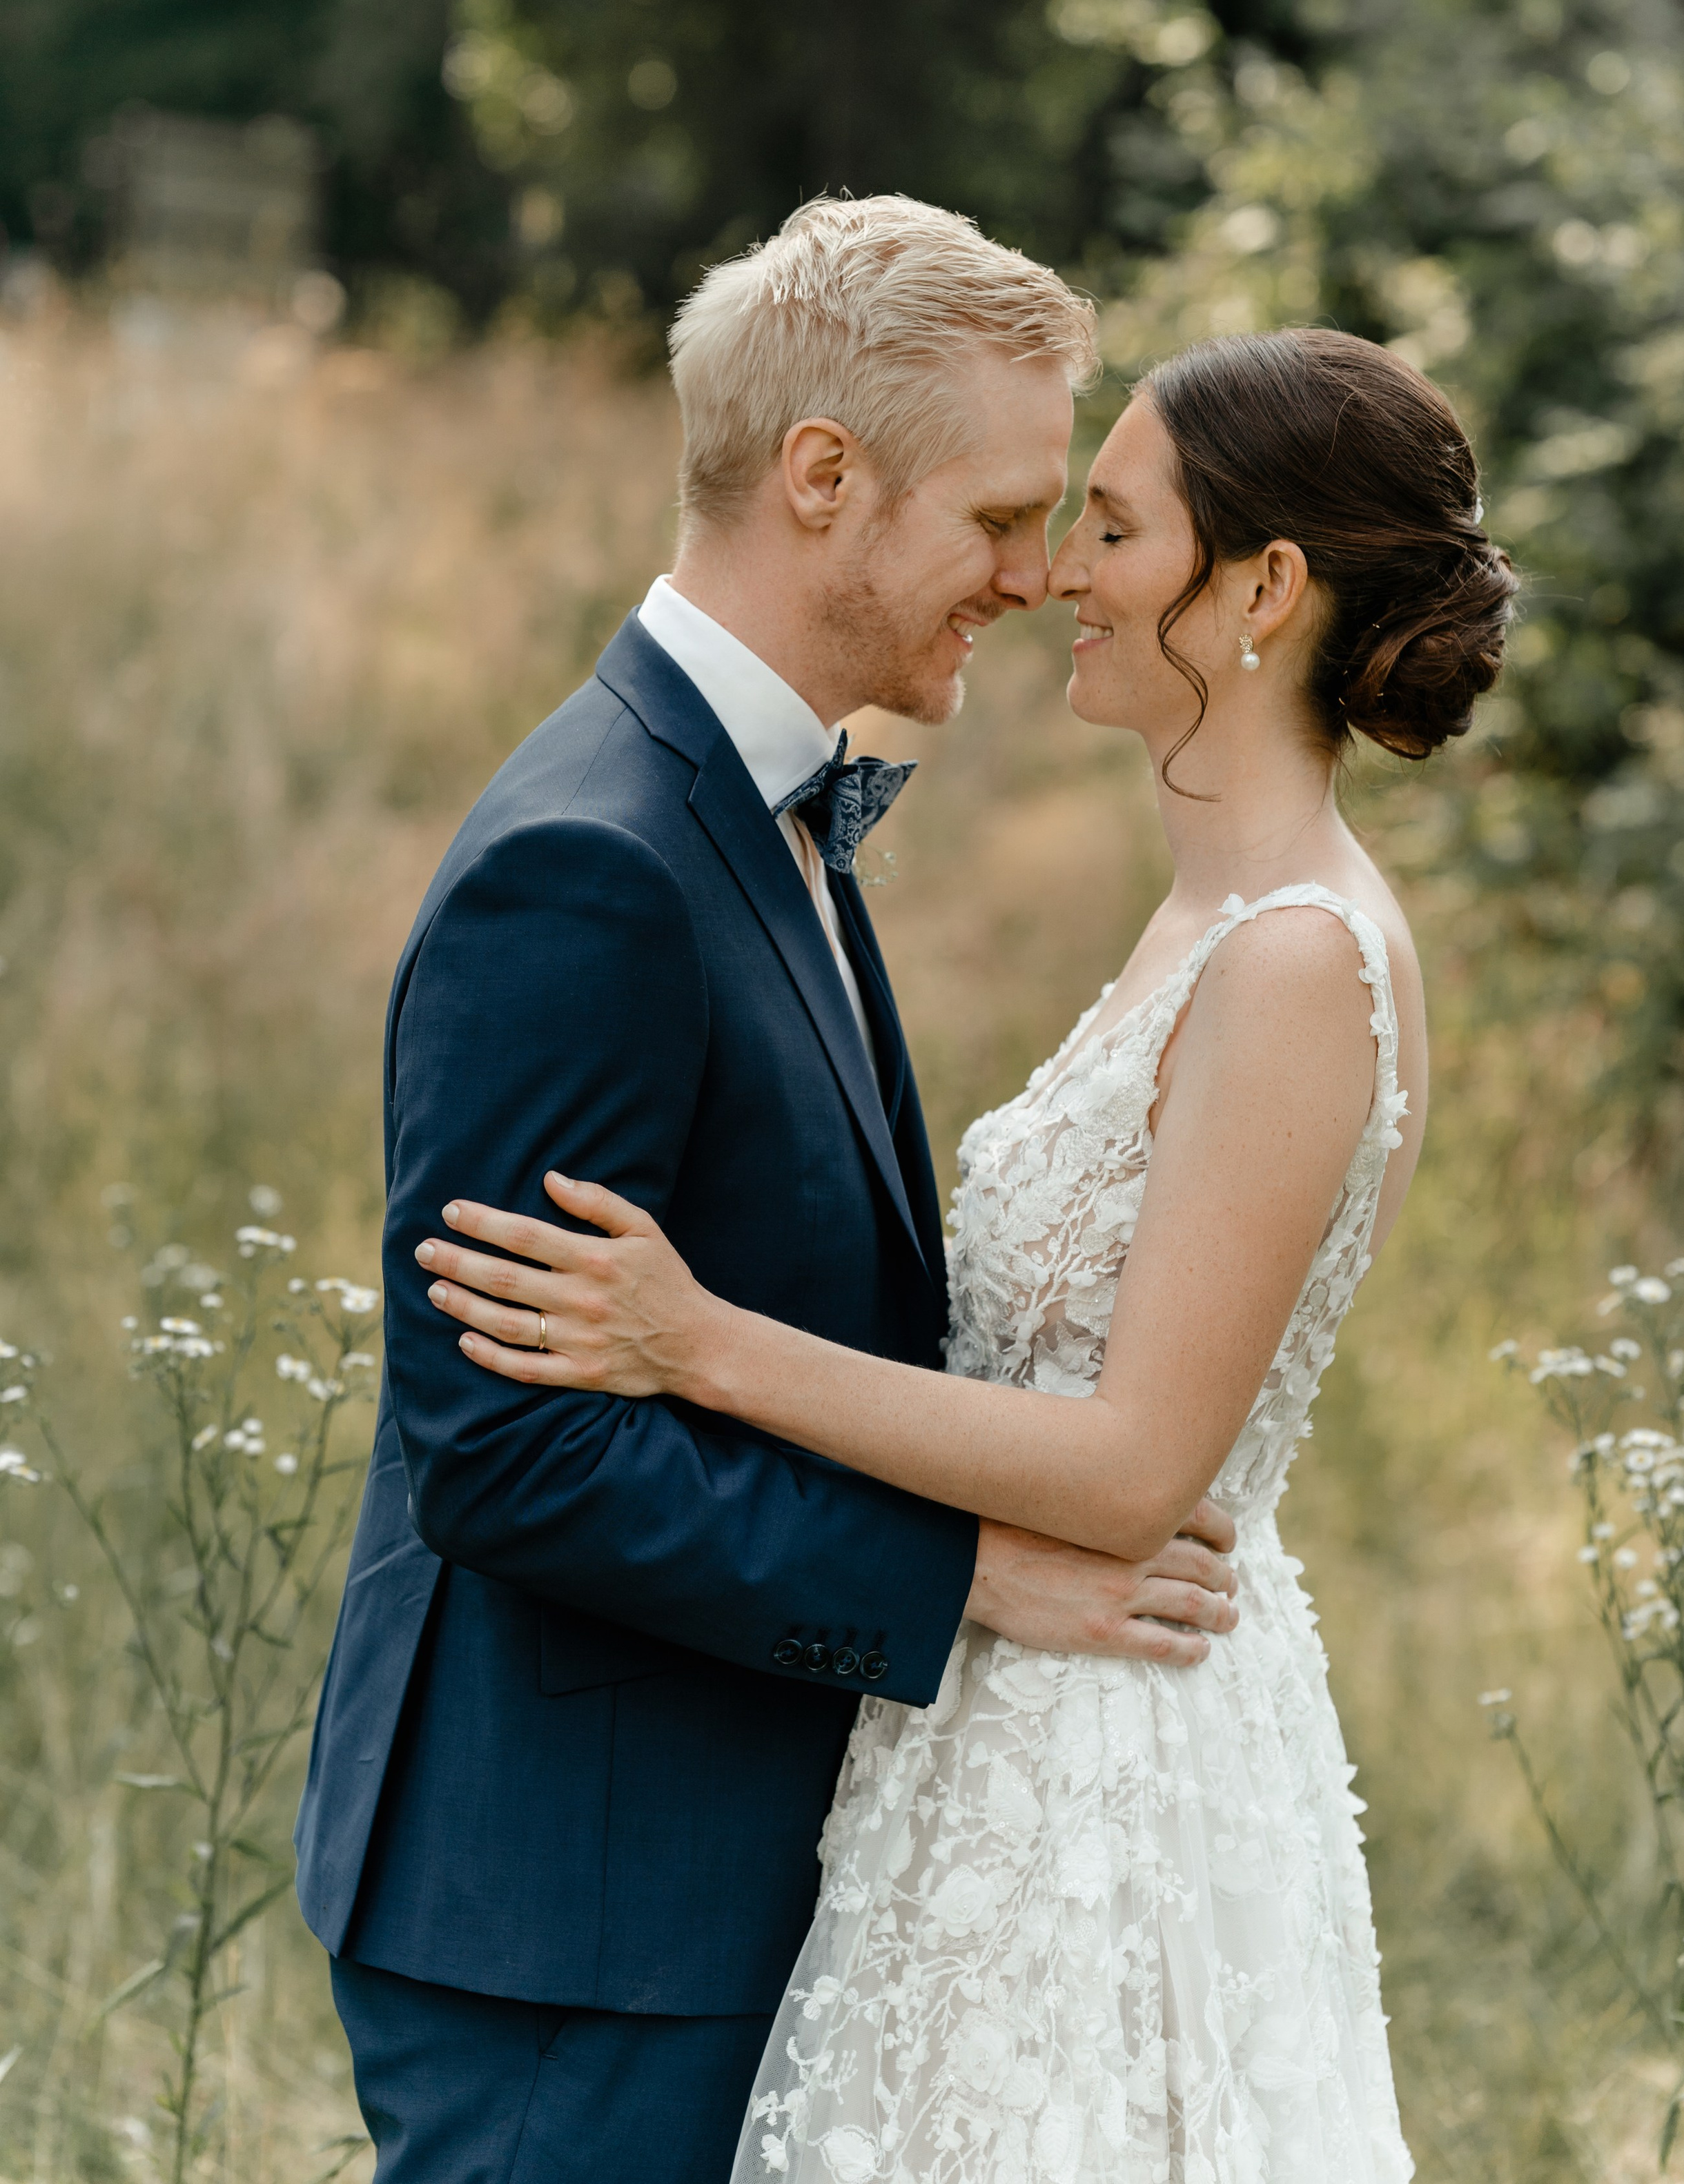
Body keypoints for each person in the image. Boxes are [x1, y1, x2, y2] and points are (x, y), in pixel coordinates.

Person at [424, 326, 1518, 2182]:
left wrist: (697, 1343)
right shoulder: (1213, 915)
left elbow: (1136, 1464)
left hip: (1104, 1763)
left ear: (1262, 586)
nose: (1056, 579)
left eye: (1108, 527)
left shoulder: (1293, 959)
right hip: (996, 1719)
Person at [293, 196, 1243, 2183]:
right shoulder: (595, 861)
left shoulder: (762, 804)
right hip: (574, 1898)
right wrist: (983, 1583)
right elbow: (507, 1453)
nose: (1034, 568)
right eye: (999, 516)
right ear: (823, 476)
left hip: (691, 1856)